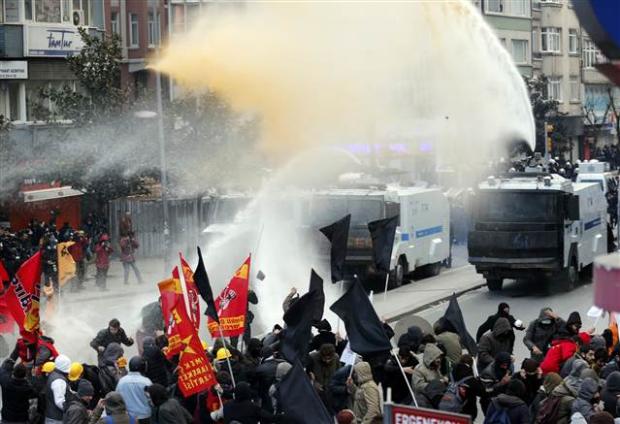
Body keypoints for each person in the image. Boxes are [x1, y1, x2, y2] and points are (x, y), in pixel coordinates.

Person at [116, 357, 152, 424]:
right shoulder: (146, 381)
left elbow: (118, 398)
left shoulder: (121, 382)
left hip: (129, 418)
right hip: (146, 416)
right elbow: (151, 400)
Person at [45, 354, 72, 424]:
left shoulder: (53, 374)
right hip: (57, 419)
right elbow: (59, 401)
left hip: (50, 416)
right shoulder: (59, 381)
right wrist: (72, 410)